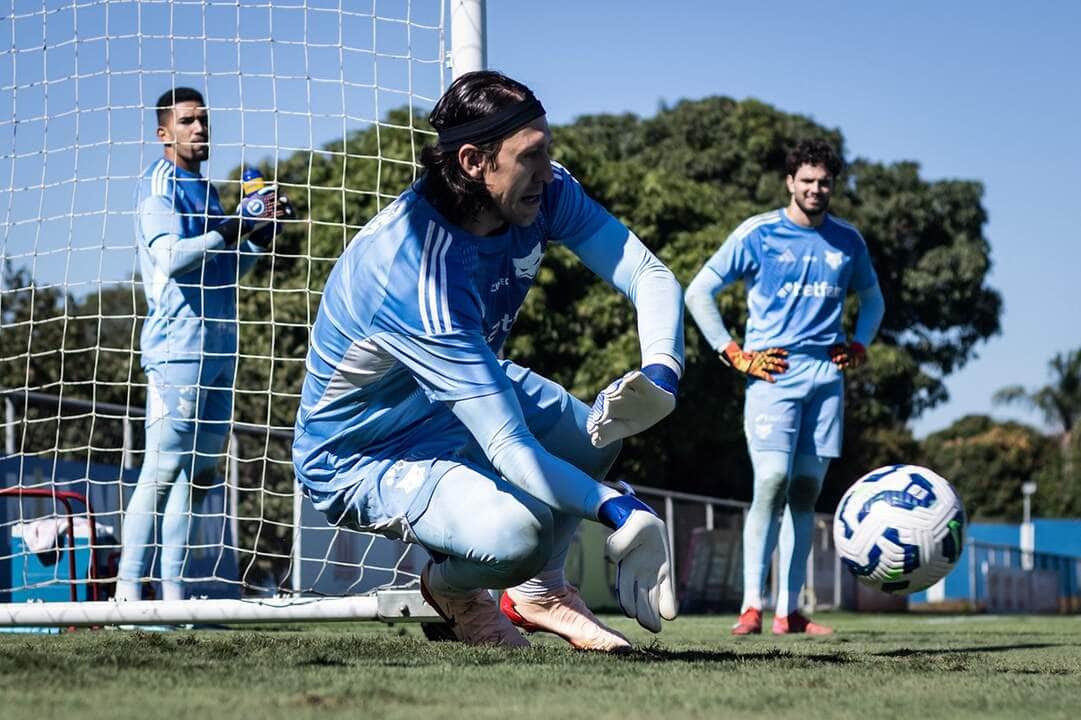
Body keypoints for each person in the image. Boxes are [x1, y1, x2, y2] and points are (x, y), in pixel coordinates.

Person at [292, 70, 683, 650]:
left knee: (597, 437)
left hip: (454, 399)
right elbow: (514, 452)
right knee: (514, 538)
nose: (549, 171)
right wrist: (619, 511)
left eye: (548, 151)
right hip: (361, 451)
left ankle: (542, 593)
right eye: (532, 156)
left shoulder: (540, 192)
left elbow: (648, 274)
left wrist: (661, 372)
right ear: (475, 161)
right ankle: (448, 587)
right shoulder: (414, 271)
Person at [684, 139, 885, 635]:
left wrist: (859, 344)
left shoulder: (848, 241)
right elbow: (699, 291)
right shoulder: (758, 233)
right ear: (790, 182)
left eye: (825, 182)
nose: (816, 189)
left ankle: (789, 611)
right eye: (808, 180)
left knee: (805, 490)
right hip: (772, 375)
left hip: (826, 377)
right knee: (771, 481)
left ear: (832, 186)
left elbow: (873, 300)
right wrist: (734, 354)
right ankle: (751, 605)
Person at [115, 87, 294, 602]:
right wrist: (236, 224)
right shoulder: (159, 184)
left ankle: (174, 599)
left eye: (204, 120)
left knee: (198, 475)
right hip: (178, 349)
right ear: (163, 133)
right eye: (188, 121)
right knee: (163, 466)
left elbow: (224, 269)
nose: (200, 128)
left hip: (221, 347)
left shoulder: (208, 191)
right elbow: (170, 257)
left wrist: (258, 237)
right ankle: (128, 592)